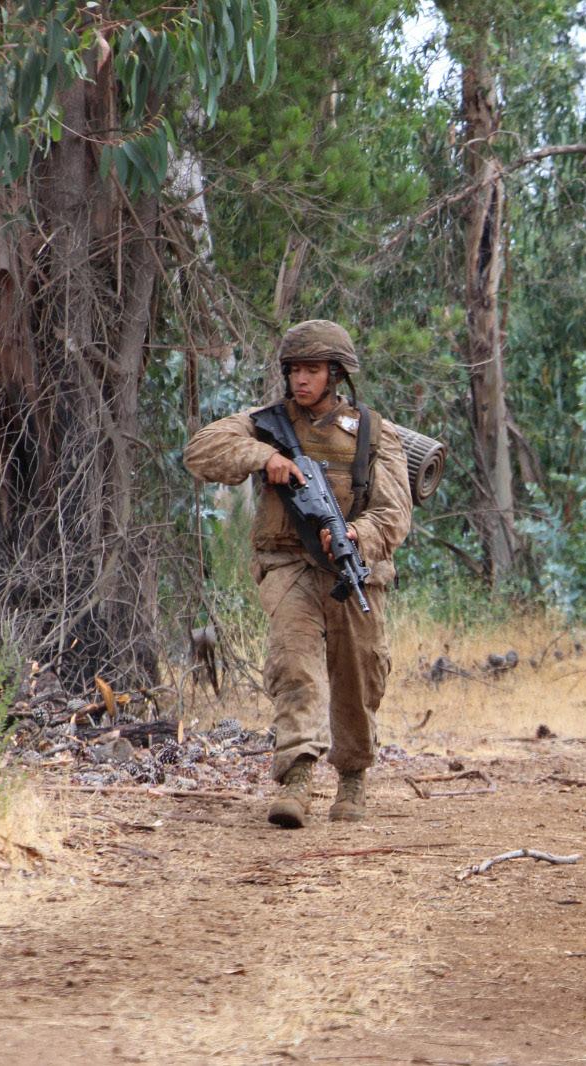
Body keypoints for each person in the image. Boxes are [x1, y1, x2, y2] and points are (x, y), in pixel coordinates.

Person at [184, 320, 412, 828]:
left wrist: (356, 534)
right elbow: (201, 450)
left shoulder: (374, 432)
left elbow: (395, 514)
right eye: (294, 370)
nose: (301, 380)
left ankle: (352, 777)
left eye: (312, 370)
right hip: (287, 563)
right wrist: (265, 456)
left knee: (358, 672)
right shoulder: (266, 423)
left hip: (354, 568)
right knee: (293, 665)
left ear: (336, 374)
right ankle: (297, 777)